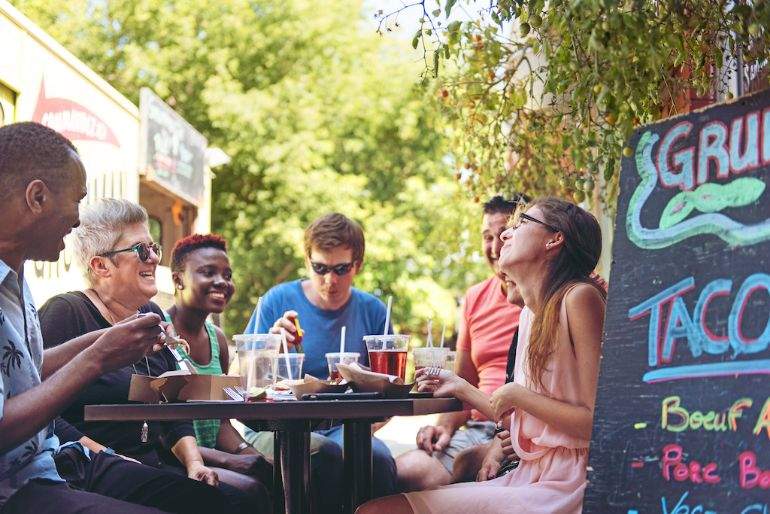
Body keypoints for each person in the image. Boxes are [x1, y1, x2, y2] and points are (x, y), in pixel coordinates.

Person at [0, 122, 229, 513]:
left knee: (213, 502)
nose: (77, 222)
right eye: (77, 200)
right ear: (37, 197)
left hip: (57, 461)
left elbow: (24, 372)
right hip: (16, 485)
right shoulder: (63, 306)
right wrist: (98, 358)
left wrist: (105, 341)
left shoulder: (17, 281)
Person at [357, 197, 607, 514]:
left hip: (569, 481)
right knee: (374, 509)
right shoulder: (531, 314)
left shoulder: (579, 298)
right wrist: (460, 386)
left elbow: (595, 423)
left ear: (554, 239)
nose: (505, 235)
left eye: (521, 224)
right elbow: (525, 416)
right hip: (530, 474)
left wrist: (516, 394)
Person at [37, 198, 268, 513]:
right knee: (216, 503)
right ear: (101, 266)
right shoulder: (67, 312)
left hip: (150, 462)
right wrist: (106, 456)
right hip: (89, 467)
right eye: (140, 251)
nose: (153, 258)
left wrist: (194, 463)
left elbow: (172, 402)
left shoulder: (151, 313)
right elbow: (47, 413)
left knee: (248, 496)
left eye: (154, 247)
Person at [241, 212, 397, 509]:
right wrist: (270, 346)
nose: (330, 280)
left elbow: (390, 389)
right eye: (320, 268)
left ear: (357, 266)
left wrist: (361, 419)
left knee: (376, 460)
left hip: (344, 426)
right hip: (277, 426)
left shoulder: (373, 311)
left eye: (341, 269)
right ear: (307, 261)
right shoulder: (277, 300)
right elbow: (240, 378)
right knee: (322, 455)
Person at [397, 195, 526, 491]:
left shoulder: (547, 296)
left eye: (503, 235)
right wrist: (444, 426)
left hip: (522, 430)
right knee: (405, 471)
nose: (494, 248)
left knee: (471, 466)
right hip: (480, 424)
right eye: (487, 237)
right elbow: (464, 379)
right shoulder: (474, 297)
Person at [165, 233, 273, 497]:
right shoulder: (159, 336)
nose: (222, 282)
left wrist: (246, 453)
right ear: (178, 280)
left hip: (212, 457)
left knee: (277, 474)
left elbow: (221, 421)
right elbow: (158, 431)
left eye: (227, 274)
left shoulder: (218, 340)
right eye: (208, 272)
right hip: (178, 461)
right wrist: (230, 460)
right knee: (253, 490)